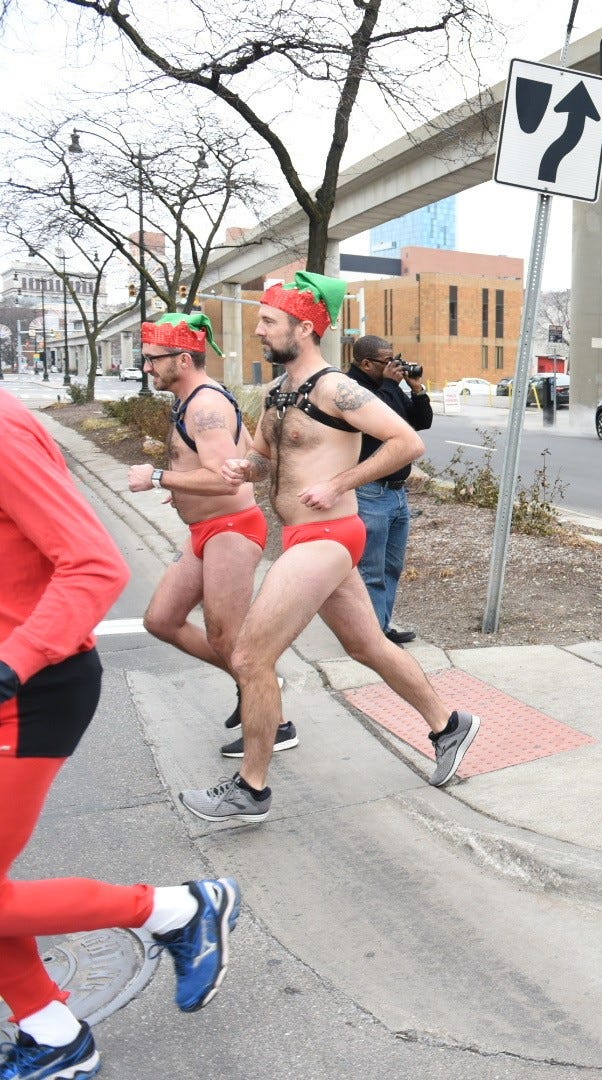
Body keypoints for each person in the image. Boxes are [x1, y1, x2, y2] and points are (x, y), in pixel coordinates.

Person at [177, 271, 481, 823]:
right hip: (302, 534)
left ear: (306, 327)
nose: (260, 331)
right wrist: (246, 465)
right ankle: (449, 724)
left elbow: (406, 441)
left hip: (328, 535)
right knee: (367, 646)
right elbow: (269, 457)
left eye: (269, 322)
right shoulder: (280, 391)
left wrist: (340, 483)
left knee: (249, 656)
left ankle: (252, 787)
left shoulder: (337, 388)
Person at [1, 387, 241, 1079]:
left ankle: (179, 909)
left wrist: (13, 663)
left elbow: (97, 564)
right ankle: (52, 1035)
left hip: (32, 689)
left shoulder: (3, 429)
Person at [127, 313, 282, 758]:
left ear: (181, 358)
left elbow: (227, 479)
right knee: (161, 619)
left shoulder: (206, 407)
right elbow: (206, 467)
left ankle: (275, 715)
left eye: (153, 359)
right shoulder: (190, 399)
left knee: (226, 637)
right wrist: (177, 486)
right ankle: (256, 684)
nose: (147, 368)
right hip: (205, 530)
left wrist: (158, 477)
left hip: (231, 530)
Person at [348, 334, 433, 646]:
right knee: (371, 568)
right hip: (370, 491)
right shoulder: (352, 389)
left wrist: (417, 389)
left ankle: (380, 626)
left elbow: (420, 422)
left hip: (397, 491)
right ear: (367, 363)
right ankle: (371, 636)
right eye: (387, 360)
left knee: (391, 566)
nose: (395, 365)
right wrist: (388, 384)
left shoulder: (389, 387)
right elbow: (375, 423)